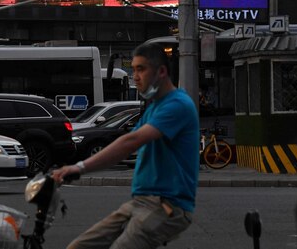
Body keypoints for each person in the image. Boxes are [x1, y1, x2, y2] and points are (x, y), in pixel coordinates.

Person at [52, 43, 198, 249]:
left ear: (162, 72)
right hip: (139, 202)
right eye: (134, 70)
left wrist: (80, 167)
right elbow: (125, 147)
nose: (135, 77)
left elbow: (132, 141)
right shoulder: (154, 107)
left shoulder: (178, 105)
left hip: (167, 205)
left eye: (141, 69)